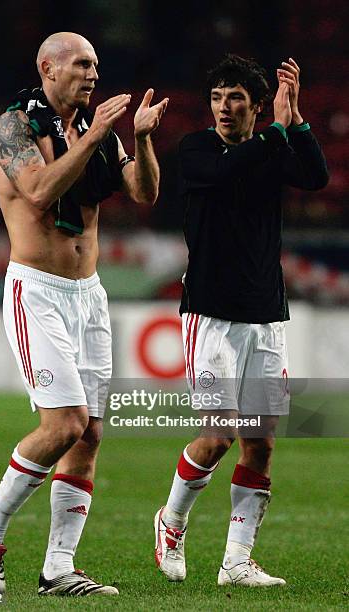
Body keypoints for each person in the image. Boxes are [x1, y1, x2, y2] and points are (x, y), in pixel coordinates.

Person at [0, 31, 168, 597]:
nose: (93, 73)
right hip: (38, 291)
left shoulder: (94, 131)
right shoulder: (14, 125)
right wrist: (99, 131)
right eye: (82, 64)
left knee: (90, 435)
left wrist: (142, 141)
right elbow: (36, 190)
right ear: (48, 69)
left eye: (97, 64)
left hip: (89, 293)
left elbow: (143, 193)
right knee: (64, 424)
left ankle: (59, 567)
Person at [154, 55, 328, 587]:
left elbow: (316, 177)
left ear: (254, 105)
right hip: (211, 314)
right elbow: (230, 170)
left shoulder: (271, 149)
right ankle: (172, 521)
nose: (223, 108)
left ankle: (236, 560)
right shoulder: (198, 149)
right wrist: (276, 129)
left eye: (234, 98)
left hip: (266, 314)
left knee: (262, 440)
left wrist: (294, 118)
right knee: (220, 434)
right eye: (216, 98)